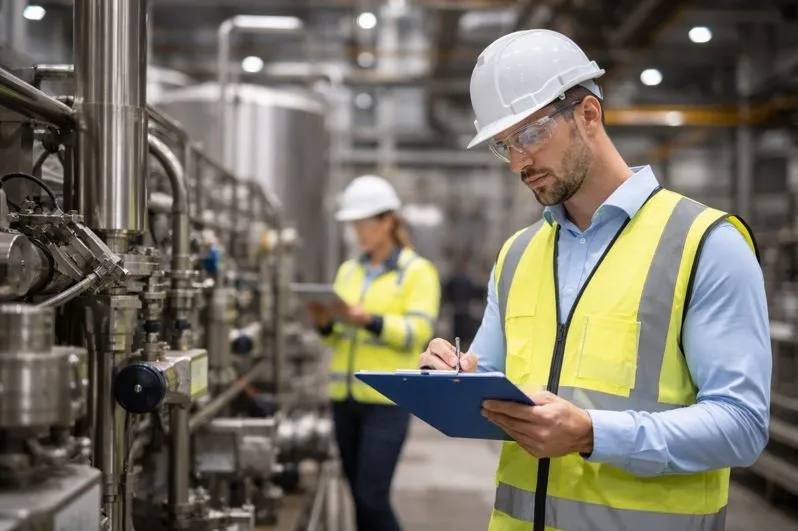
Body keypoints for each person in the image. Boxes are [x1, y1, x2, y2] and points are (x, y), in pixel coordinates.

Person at [419, 29, 771, 531]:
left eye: (530, 134)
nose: (519, 162)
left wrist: (591, 433)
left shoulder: (705, 244)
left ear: (588, 115)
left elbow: (742, 426)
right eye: (504, 145)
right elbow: (491, 384)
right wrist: (453, 375)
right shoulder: (517, 255)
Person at [309, 174, 441, 531]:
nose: (359, 232)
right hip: (344, 398)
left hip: (386, 401)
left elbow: (419, 333)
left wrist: (370, 320)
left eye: (365, 223)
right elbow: (335, 339)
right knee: (358, 494)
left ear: (388, 221)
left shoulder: (416, 272)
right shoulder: (349, 271)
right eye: (354, 224)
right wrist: (324, 321)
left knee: (372, 496)